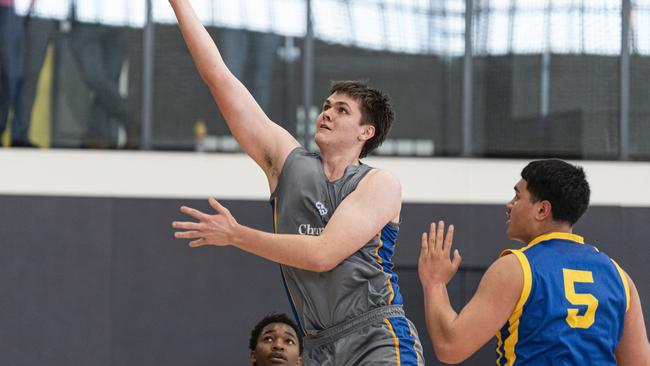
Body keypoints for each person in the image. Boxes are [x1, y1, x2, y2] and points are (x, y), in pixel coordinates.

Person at [168, 0, 424, 364]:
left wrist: (236, 234)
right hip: (318, 345)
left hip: (376, 337)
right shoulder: (287, 163)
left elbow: (322, 255)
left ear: (366, 132)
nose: (327, 113)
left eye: (342, 110)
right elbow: (220, 77)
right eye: (327, 105)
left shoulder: (379, 183)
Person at [418, 159, 650, 365]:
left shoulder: (515, 268)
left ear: (542, 209)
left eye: (518, 196)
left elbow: (451, 347)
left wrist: (435, 283)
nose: (509, 205)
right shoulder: (620, 277)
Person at [0, 0, 35, 147]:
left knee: (25, 75)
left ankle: (20, 136)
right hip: (9, 7)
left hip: (36, 10)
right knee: (8, 73)